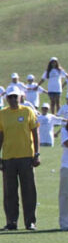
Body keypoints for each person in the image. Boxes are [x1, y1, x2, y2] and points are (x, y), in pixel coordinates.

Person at [0, 85, 40, 230]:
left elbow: (35, 133)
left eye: (14, 97)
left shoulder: (28, 111)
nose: (12, 99)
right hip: (8, 157)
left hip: (26, 157)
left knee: (28, 190)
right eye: (9, 97)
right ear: (6, 98)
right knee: (9, 192)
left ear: (20, 97)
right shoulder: (2, 114)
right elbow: (1, 136)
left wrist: (37, 153)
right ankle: (11, 221)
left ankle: (30, 221)